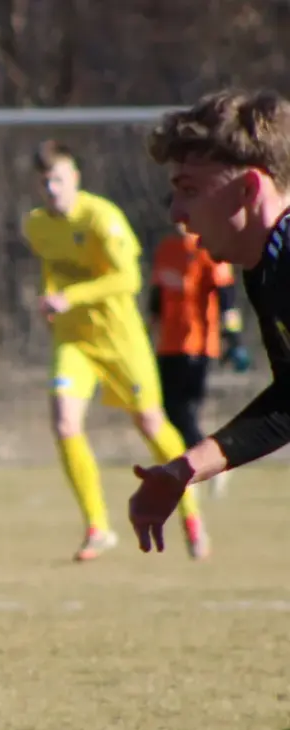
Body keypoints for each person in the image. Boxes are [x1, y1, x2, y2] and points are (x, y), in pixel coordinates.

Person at [22, 141, 210, 561]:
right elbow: (53, 268)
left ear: (76, 179)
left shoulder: (102, 219)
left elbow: (128, 280)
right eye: (45, 182)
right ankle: (97, 526)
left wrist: (71, 296)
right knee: (64, 422)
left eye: (60, 179)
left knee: (150, 422)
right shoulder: (37, 225)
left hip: (121, 339)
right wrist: (50, 297)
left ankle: (191, 514)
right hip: (74, 340)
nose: (53, 189)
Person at [132, 88, 290, 550]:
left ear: (248, 190)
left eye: (190, 191)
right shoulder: (266, 269)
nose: (177, 213)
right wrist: (183, 470)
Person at [148, 221, 249, 496]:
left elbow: (226, 298)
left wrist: (234, 340)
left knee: (184, 411)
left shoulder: (209, 249)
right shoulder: (166, 249)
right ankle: (191, 468)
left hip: (198, 344)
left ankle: (207, 464)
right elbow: (157, 297)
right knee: (170, 411)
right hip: (167, 344)